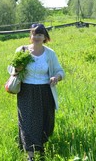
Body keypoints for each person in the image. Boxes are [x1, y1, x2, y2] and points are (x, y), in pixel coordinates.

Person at [12, 23, 65, 161]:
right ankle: (31, 155)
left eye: (40, 34)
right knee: (27, 123)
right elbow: (11, 69)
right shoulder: (22, 50)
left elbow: (60, 71)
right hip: (26, 92)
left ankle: (41, 149)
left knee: (45, 122)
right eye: (34, 34)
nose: (36, 37)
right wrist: (17, 69)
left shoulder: (50, 53)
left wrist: (56, 77)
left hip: (45, 92)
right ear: (31, 36)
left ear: (45, 37)